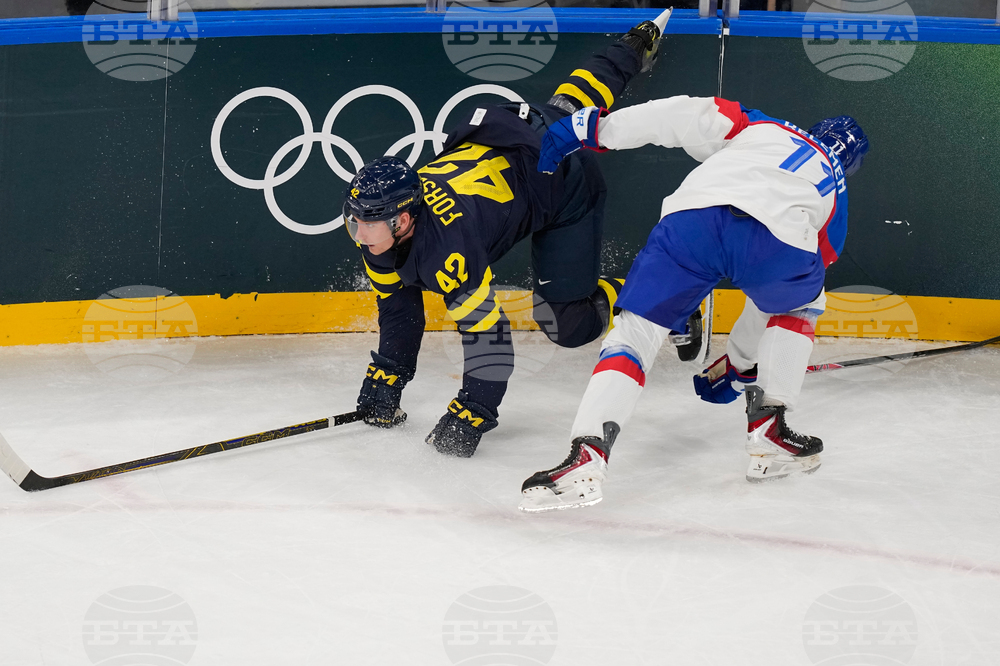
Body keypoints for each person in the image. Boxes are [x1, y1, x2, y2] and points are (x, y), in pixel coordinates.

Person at [344, 12, 692, 458]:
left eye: (368, 222)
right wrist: (388, 373)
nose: (359, 233)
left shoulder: (450, 249)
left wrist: (473, 411)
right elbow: (399, 310)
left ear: (405, 219)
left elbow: (489, 339)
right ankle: (632, 45)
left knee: (567, 325)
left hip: (561, 184)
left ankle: (668, 300)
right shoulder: (380, 233)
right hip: (519, 135)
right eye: (354, 220)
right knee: (568, 106)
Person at [519, 96, 869, 512]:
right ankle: (770, 431)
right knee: (799, 306)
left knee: (634, 334)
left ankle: (585, 455)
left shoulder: (762, 125)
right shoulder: (836, 188)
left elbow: (682, 115)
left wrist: (595, 130)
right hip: (776, 240)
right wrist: (738, 367)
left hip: (692, 220)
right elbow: (777, 299)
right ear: (850, 164)